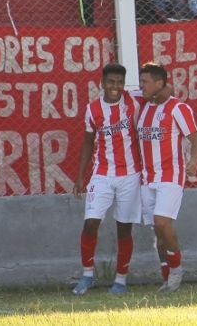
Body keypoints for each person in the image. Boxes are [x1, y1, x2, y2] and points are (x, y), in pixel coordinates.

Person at [71, 63, 144, 295]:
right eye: (111, 82)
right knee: (91, 223)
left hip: (130, 175)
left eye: (120, 82)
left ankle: (120, 280)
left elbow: (162, 89)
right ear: (102, 83)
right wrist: (80, 176)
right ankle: (87, 276)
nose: (115, 86)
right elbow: (87, 142)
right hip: (102, 174)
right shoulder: (92, 109)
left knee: (124, 228)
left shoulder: (133, 102)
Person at [137, 62, 197, 293]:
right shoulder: (143, 106)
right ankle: (166, 278)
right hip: (147, 178)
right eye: (140, 81)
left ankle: (176, 269)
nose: (141, 86)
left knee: (162, 222)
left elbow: (196, 140)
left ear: (159, 83)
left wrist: (193, 161)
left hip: (170, 175)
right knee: (158, 231)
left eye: (145, 82)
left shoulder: (178, 108)